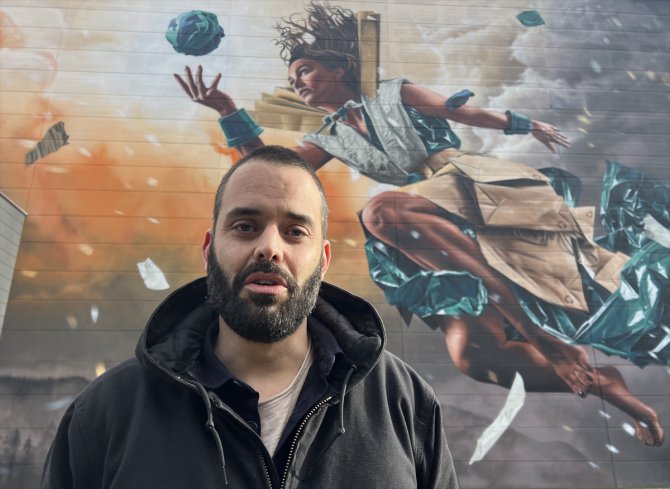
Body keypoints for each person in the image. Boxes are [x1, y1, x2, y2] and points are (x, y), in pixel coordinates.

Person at [174, 1, 666, 446]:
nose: (297, 83)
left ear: (338, 68)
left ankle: (542, 335)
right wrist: (228, 111)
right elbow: (271, 170)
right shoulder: (328, 137)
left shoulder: (393, 93)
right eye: (293, 78)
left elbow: (461, 110)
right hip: (420, 216)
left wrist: (524, 124)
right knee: (473, 356)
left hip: (471, 188)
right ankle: (605, 385)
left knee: (381, 213)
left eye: (304, 70)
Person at [41, 145, 459, 488]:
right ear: (209, 250)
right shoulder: (104, 414)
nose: (269, 248)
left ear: (323, 260)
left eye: (295, 232)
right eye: (245, 226)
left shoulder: (405, 403)